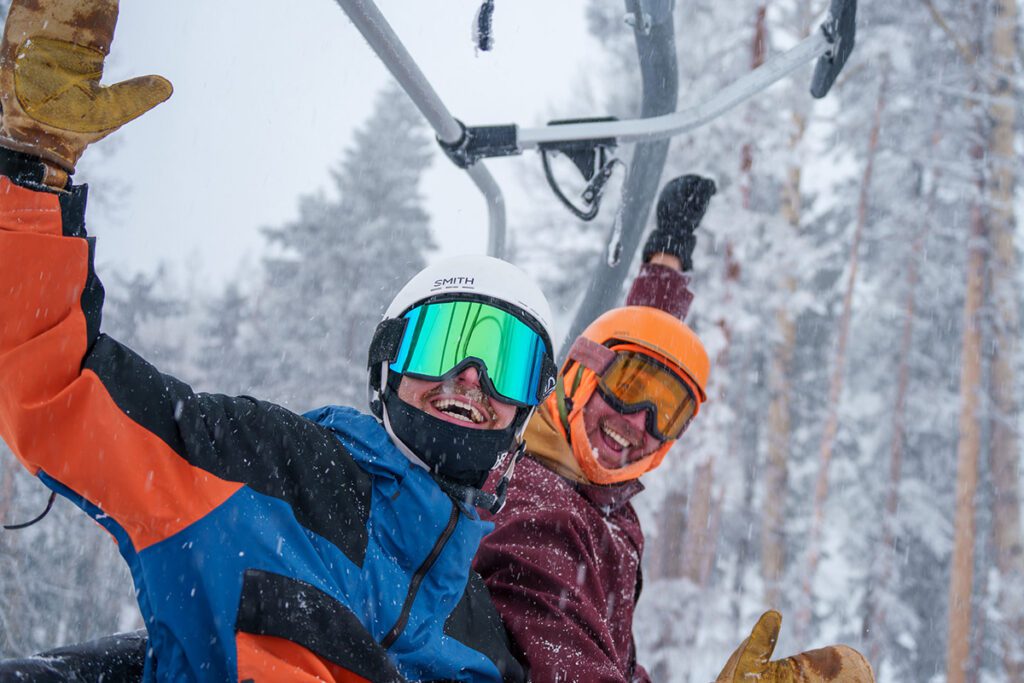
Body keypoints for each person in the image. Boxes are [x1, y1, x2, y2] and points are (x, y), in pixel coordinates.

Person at [0, 1, 556, 680]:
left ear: (526, 415)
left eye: (508, 364)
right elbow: (53, 379)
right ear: (385, 366)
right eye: (442, 343)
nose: (471, 377)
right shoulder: (268, 470)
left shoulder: (480, 636)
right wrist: (33, 164)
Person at [473, 176, 875, 683]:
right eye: (625, 387)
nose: (640, 421)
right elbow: (568, 667)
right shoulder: (534, 506)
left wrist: (668, 256)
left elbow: (642, 344)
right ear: (578, 375)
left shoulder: (591, 497)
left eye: (668, 410)